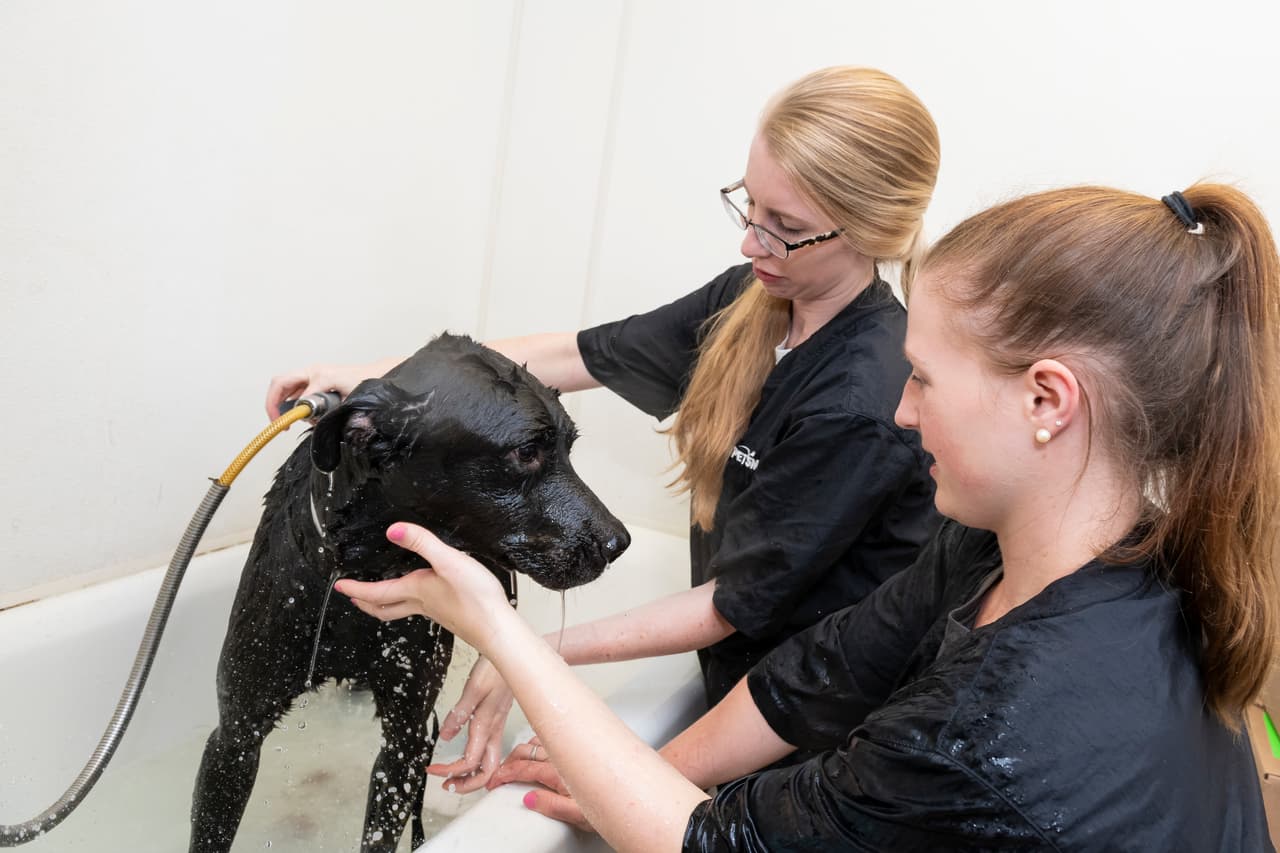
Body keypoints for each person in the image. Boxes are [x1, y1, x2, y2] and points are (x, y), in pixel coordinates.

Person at [337, 181, 1280, 850]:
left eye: (923, 378)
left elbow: (709, 843)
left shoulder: (982, 740)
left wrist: (496, 626)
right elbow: (822, 671)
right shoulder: (1036, 554)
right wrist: (634, 768)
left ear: (1046, 401)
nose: (904, 411)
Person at [267, 66, 943, 788]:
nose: (751, 245)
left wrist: (526, 646)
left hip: (822, 747)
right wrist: (376, 376)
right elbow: (572, 355)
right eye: (750, 207)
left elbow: (726, 605)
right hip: (744, 682)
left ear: (873, 230)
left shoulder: (860, 400)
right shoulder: (755, 298)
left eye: (788, 230)